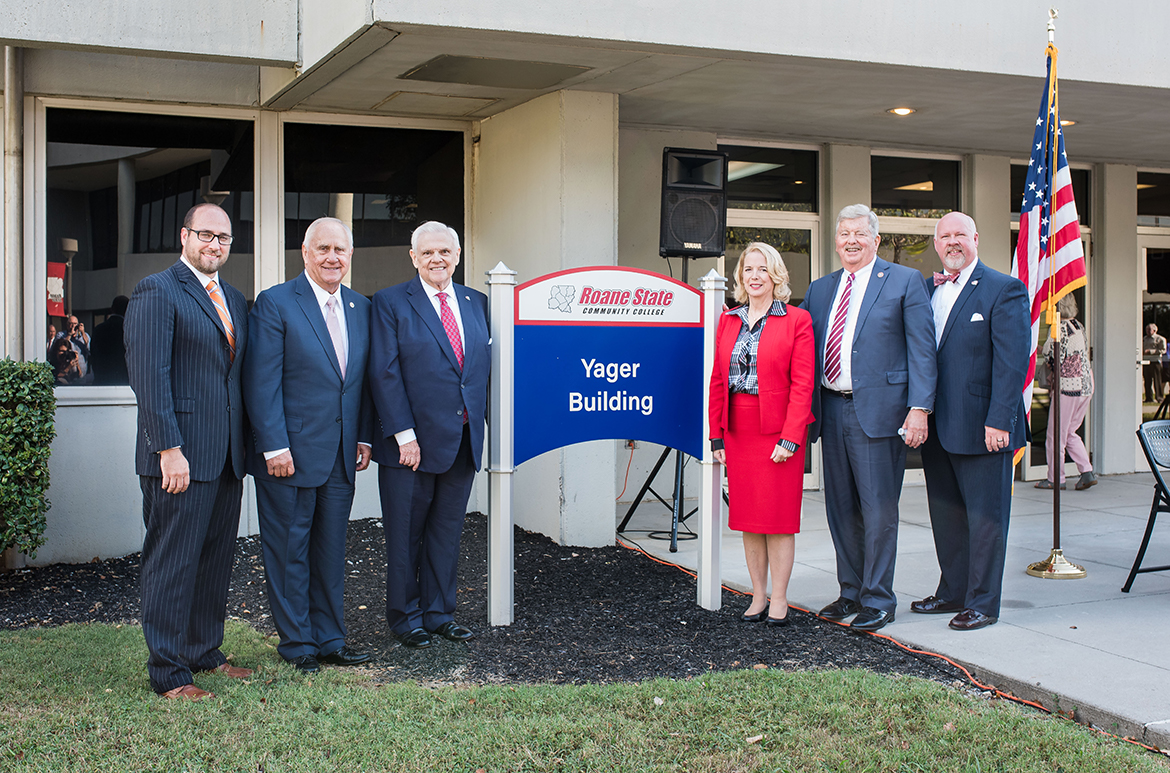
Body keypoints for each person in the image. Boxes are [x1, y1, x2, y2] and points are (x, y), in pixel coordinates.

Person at [124, 203, 252, 699]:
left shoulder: (235, 299)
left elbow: (232, 380)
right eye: (205, 234)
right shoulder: (158, 289)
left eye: (223, 237)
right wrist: (168, 449)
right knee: (172, 563)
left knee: (214, 560)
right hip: (177, 459)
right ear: (184, 236)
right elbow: (149, 377)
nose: (214, 244)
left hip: (225, 459)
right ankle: (170, 673)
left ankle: (204, 652)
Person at [244, 218, 374, 674]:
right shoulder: (276, 303)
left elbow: (361, 383)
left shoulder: (361, 306)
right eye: (323, 249)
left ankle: (331, 639)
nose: (332, 257)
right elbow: (261, 383)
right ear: (305, 253)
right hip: (289, 456)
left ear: (351, 254)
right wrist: (273, 445)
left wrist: (362, 435)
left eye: (340, 249)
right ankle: (298, 644)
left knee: (330, 551)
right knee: (288, 553)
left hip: (340, 456)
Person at [801, 204, 936, 632]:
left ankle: (879, 598)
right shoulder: (821, 289)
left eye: (860, 233)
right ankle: (851, 591)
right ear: (836, 240)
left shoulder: (904, 281)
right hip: (831, 407)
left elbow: (922, 350)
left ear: (876, 239)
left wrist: (920, 408)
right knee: (840, 508)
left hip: (879, 413)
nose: (851, 241)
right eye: (844, 234)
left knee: (878, 510)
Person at [368, 221, 489, 649]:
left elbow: (478, 372)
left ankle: (440, 614)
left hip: (462, 439)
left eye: (445, 252)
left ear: (457, 255)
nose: (437, 259)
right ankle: (406, 618)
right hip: (411, 447)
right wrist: (404, 435)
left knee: (447, 532)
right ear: (413, 257)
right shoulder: (389, 303)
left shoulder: (477, 302)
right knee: (405, 535)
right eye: (428, 252)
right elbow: (384, 373)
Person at [913, 211, 1030, 631]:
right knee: (946, 515)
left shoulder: (1004, 289)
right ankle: (952, 592)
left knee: (985, 518)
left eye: (960, 234)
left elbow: (1012, 362)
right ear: (936, 244)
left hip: (985, 427)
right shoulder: (925, 289)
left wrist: (999, 419)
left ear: (976, 238)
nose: (952, 242)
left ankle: (983, 602)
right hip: (937, 427)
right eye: (945, 236)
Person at [709, 243, 814, 626]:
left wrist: (791, 437)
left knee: (778, 519)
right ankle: (757, 595)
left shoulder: (797, 320)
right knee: (748, 518)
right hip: (738, 430)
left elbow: (803, 385)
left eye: (762, 269)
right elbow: (718, 379)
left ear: (776, 275)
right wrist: (716, 435)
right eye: (748, 269)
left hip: (778, 430)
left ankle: (781, 599)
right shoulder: (729, 321)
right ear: (741, 277)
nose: (754, 276)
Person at [1036, 295, 1096, 491]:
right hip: (1086, 384)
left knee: (1055, 435)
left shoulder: (1058, 328)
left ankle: (1055, 478)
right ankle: (1086, 471)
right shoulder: (1078, 325)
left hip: (1068, 387)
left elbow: (1051, 355)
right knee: (1070, 431)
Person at [89, 295, 130, 385]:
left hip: (101, 379)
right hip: (122, 382)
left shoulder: (98, 329)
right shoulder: (127, 330)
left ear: (112, 309)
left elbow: (93, 354)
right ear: (128, 310)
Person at [1143, 323, 1166, 403]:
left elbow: (1163, 350)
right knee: (1147, 380)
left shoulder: (1160, 339)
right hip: (1146, 361)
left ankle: (1159, 397)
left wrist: (1151, 351)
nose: (1148, 331)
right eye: (1146, 330)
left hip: (1155, 361)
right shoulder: (1144, 339)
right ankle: (1148, 398)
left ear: (1154, 330)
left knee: (1157, 380)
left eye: (1149, 329)